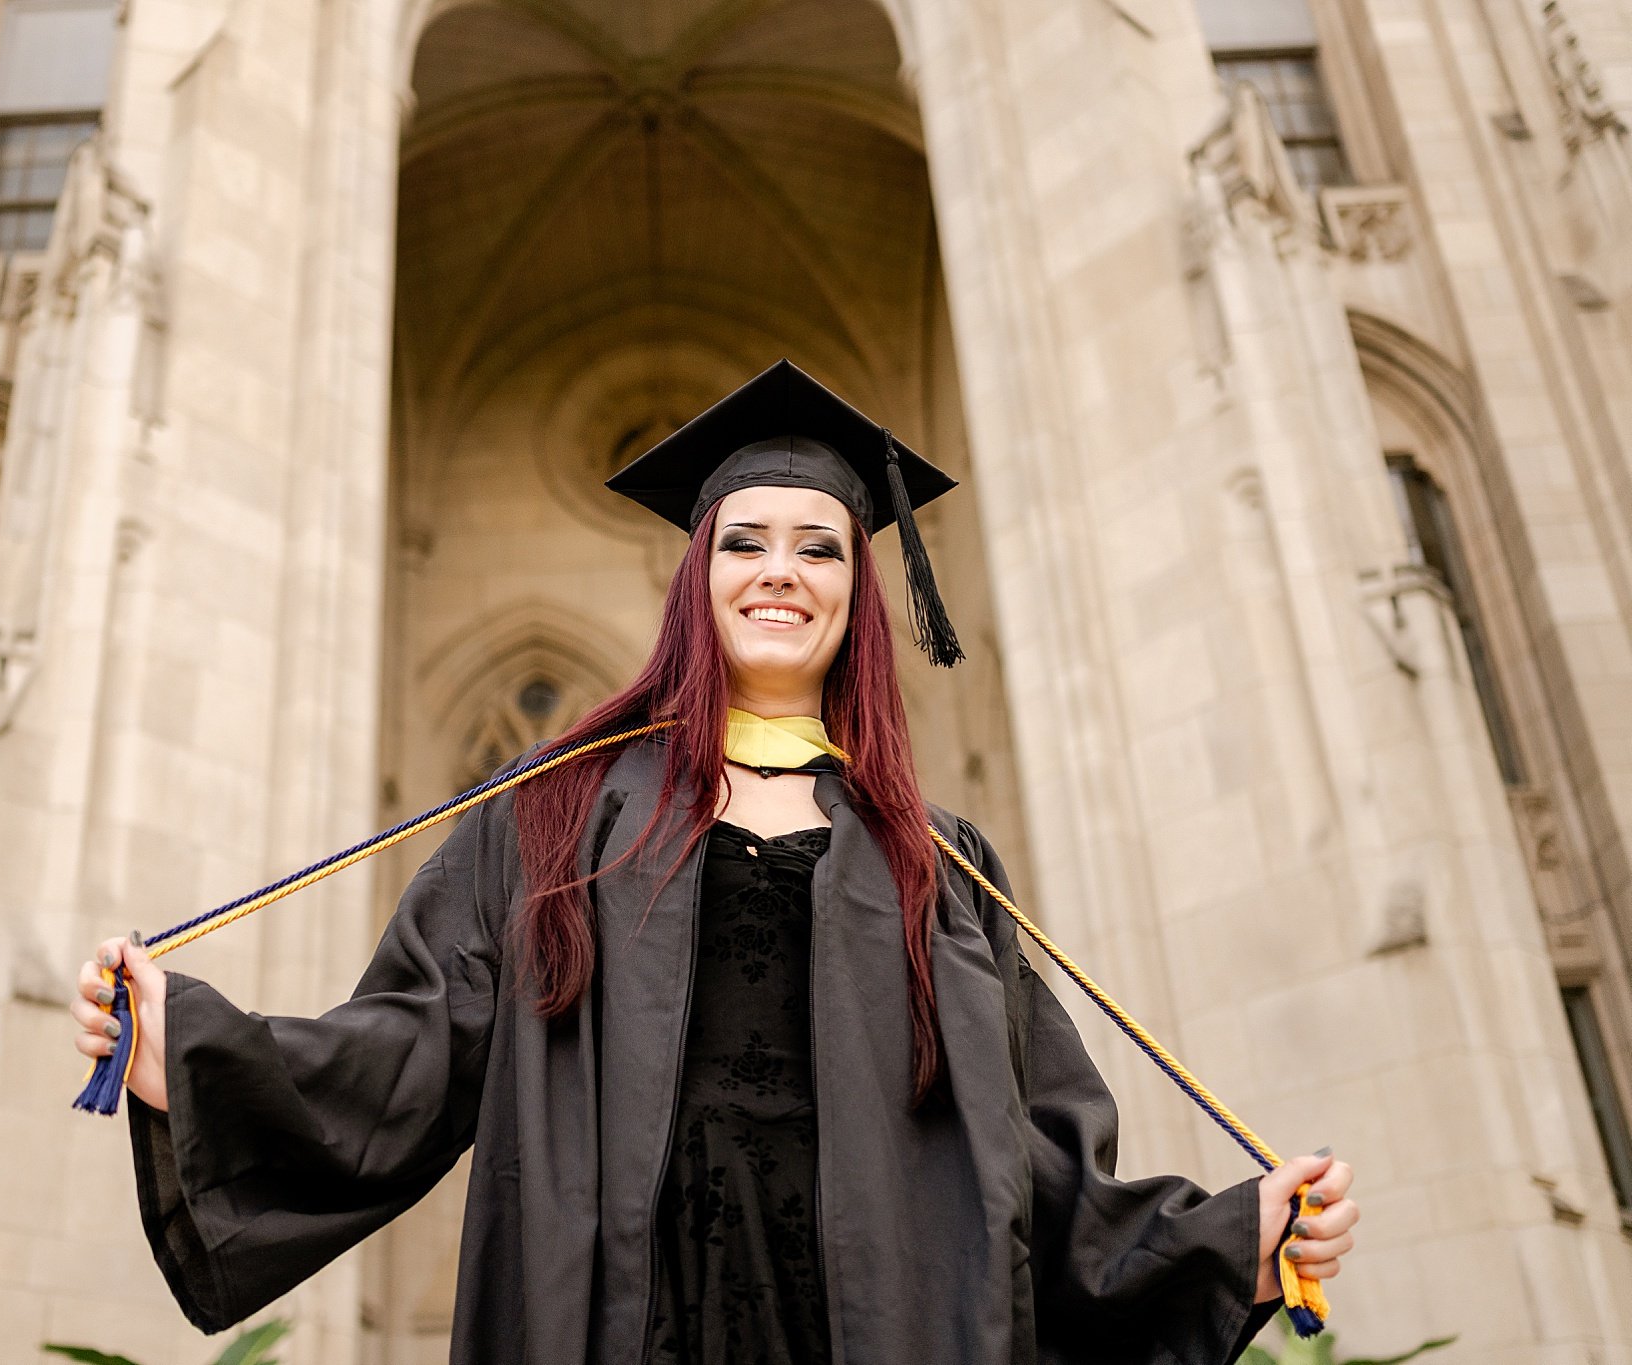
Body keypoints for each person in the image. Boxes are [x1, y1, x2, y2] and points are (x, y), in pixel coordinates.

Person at [71, 360, 1359, 1364]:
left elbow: (1034, 1164)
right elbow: (414, 1046)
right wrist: (184, 1043)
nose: (780, 574)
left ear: (860, 589)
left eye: (817, 547)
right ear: (697, 579)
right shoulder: (550, 822)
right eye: (745, 543)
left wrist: (1233, 1238)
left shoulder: (940, 870)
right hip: (616, 1316)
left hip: (868, 1322)